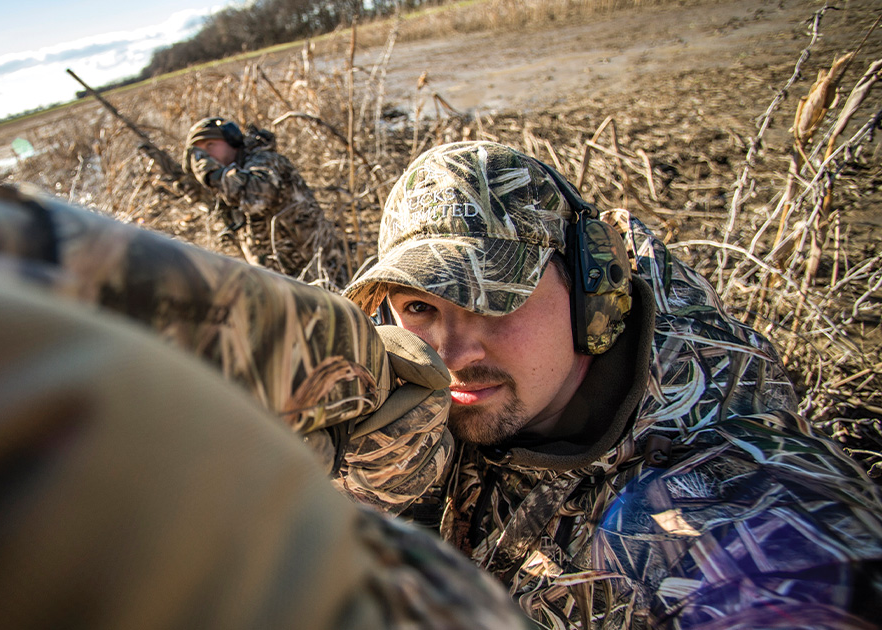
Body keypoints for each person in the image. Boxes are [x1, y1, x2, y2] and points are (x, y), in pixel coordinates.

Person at [0, 83, 530, 630]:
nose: (458, 342)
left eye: (501, 300)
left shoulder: (261, 169)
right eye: (422, 306)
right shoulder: (406, 431)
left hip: (301, 262)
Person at [342, 141, 882, 629]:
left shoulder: (712, 503)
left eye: (495, 299)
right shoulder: (422, 391)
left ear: (593, 295)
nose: (452, 354)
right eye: (419, 307)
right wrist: (367, 483)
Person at [183, 116, 345, 287]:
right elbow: (191, 190)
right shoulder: (225, 178)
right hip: (276, 281)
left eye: (210, 145)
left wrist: (211, 174)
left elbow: (255, 196)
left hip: (317, 274)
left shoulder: (265, 160)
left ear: (232, 141)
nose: (206, 156)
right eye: (199, 152)